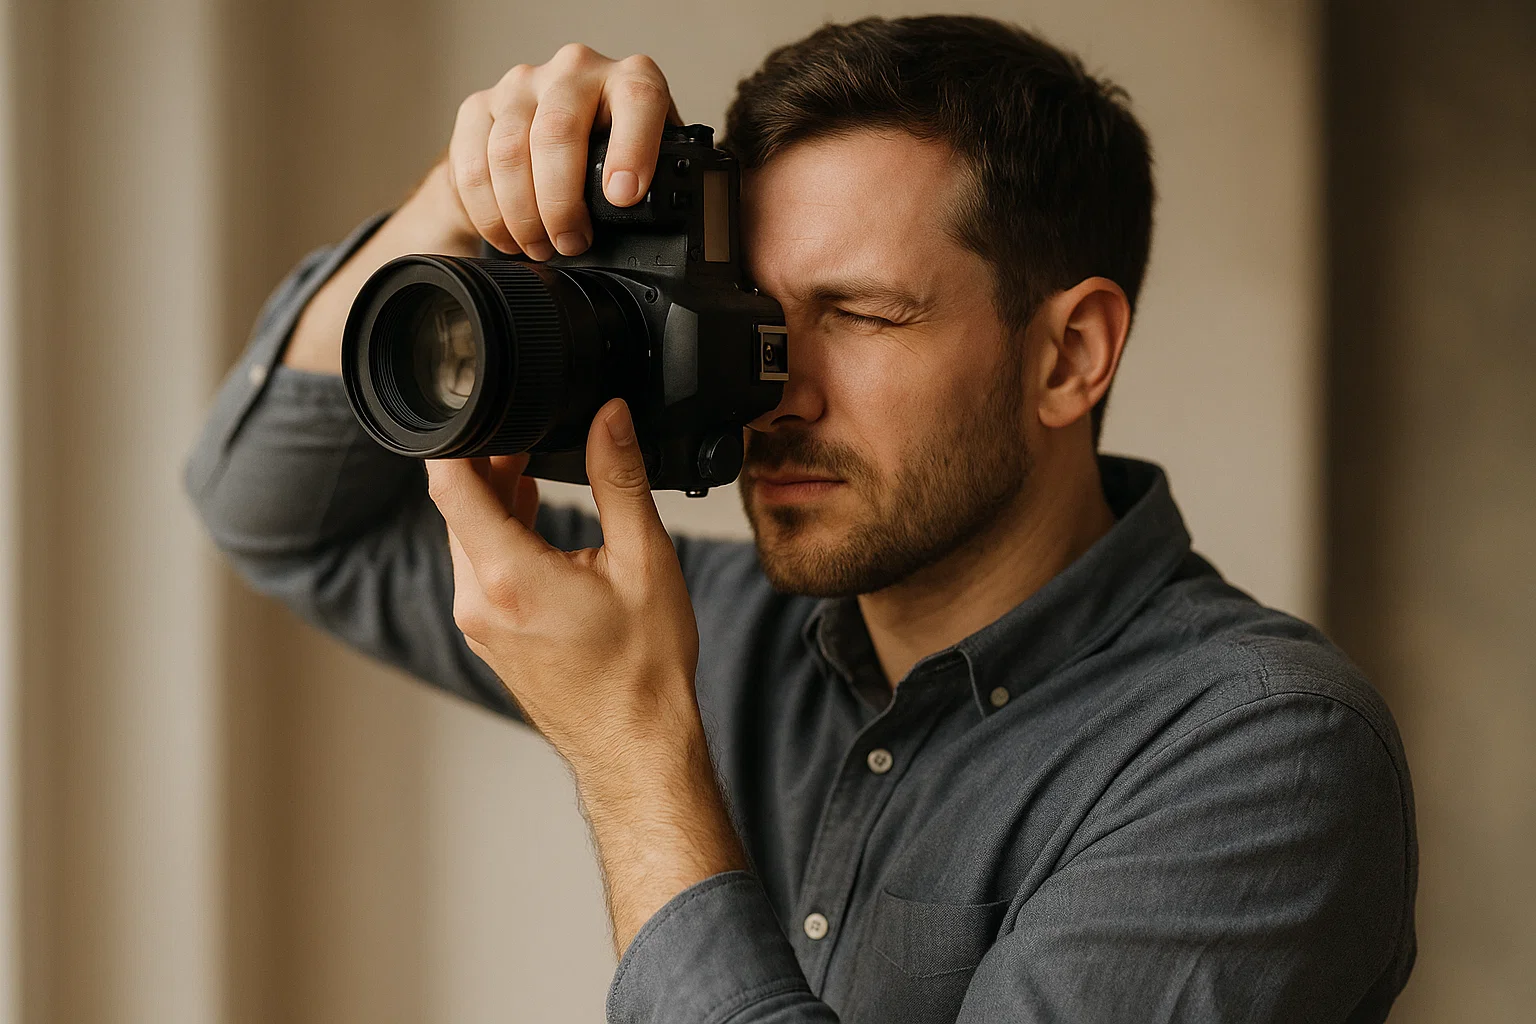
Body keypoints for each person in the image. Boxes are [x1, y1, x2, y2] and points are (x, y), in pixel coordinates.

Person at [186, 15, 1416, 1024]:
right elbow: (282, 516)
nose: (771, 382)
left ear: (1068, 355)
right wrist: (450, 207)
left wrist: (635, 755)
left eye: (864, 314)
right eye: (749, 314)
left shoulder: (1261, 755)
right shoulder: (744, 631)